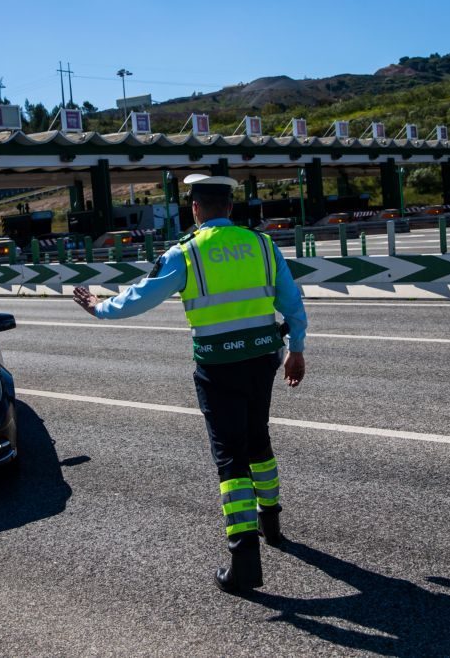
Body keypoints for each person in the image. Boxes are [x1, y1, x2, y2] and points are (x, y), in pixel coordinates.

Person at [73, 174, 307, 594]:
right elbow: (291, 302)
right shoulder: (263, 245)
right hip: (262, 360)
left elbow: (143, 295)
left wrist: (99, 307)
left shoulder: (188, 252)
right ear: (232, 208)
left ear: (195, 209)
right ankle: (271, 523)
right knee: (259, 439)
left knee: (230, 457)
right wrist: (297, 348)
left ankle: (244, 561)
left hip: (218, 368)